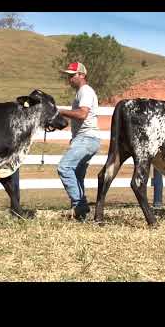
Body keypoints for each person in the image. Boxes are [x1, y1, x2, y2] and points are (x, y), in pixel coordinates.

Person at [57, 62, 101, 221]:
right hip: (85, 139)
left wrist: (60, 111)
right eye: (68, 75)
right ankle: (80, 215)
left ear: (82, 75)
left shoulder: (85, 91)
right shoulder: (81, 92)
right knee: (77, 175)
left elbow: (82, 114)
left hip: (86, 138)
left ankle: (80, 205)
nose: (69, 78)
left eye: (72, 75)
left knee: (64, 167)